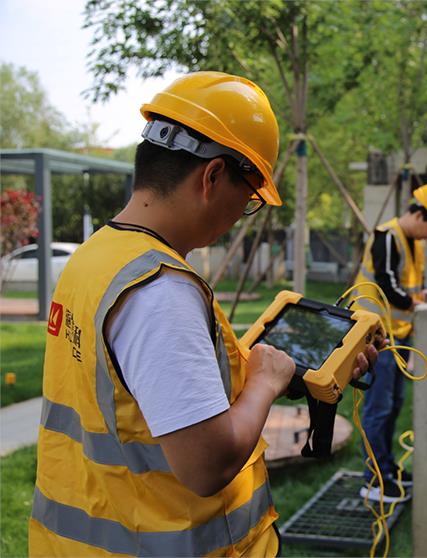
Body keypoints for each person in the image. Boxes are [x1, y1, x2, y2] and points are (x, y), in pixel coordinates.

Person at [28, 71, 378, 557]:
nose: (244, 212)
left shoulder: (96, 257)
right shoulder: (160, 291)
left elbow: (150, 401)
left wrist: (292, 378)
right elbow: (206, 466)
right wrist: (265, 382)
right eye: (251, 197)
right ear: (214, 176)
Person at [350, 183, 427, 503]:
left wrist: (420, 298)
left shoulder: (416, 243)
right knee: (378, 408)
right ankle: (374, 479)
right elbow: (387, 284)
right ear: (420, 214)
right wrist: (416, 303)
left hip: (397, 336)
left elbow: (410, 286)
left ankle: (386, 467)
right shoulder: (387, 237)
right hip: (374, 336)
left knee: (394, 404)